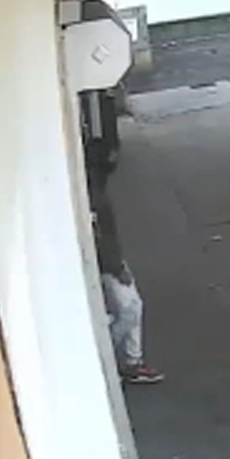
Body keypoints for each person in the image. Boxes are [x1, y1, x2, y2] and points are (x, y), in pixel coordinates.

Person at [87, 137, 163, 385]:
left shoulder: (96, 185)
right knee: (130, 310)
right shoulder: (91, 192)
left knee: (132, 307)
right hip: (107, 261)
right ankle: (106, 355)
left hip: (111, 257)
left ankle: (132, 361)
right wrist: (115, 265)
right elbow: (98, 233)